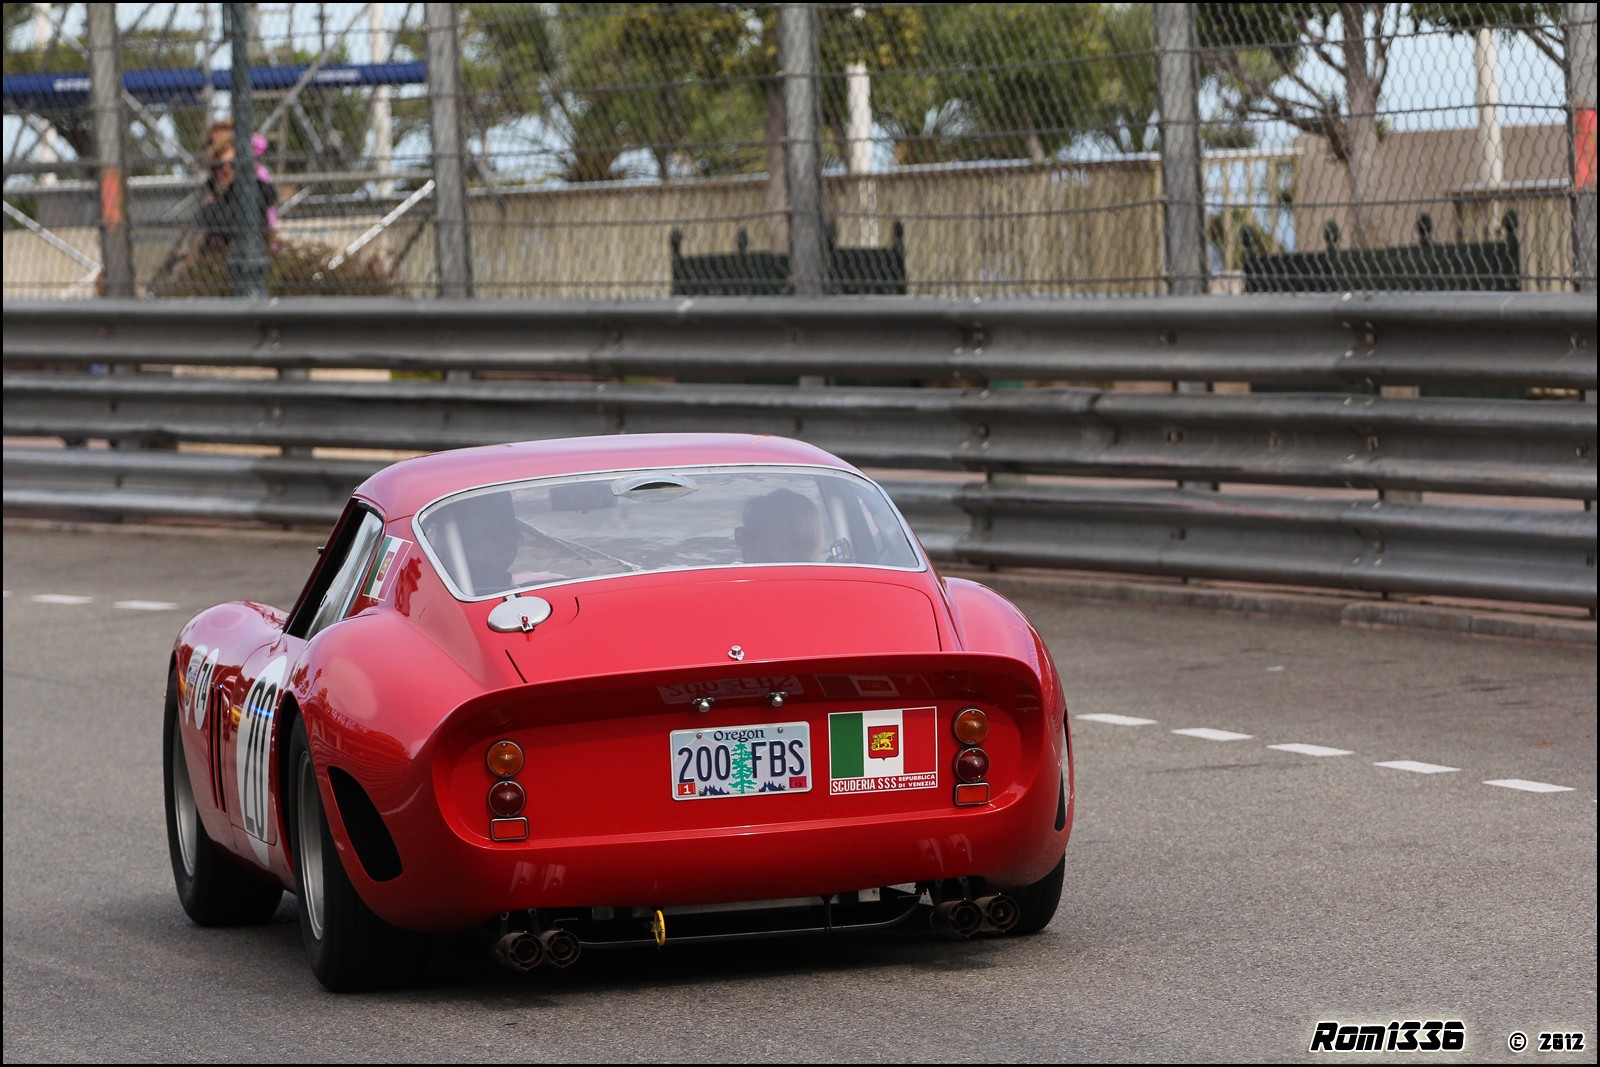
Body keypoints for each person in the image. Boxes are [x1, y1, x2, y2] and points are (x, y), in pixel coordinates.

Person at [735, 489, 826, 564]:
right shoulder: (830, 576)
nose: (742, 542)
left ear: (757, 545)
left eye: (744, 535)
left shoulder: (736, 578)